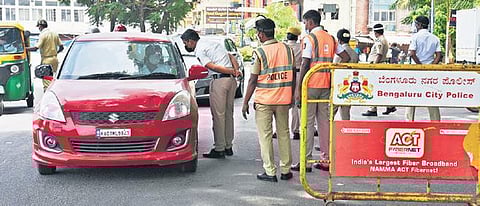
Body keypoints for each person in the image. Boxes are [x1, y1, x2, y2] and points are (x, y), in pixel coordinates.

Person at [291, 10, 350, 173]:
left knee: (308, 123)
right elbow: (345, 57)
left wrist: (299, 88)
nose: (305, 26)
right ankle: (326, 160)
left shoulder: (309, 39)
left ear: (310, 22)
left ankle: (306, 161)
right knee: (324, 123)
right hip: (326, 85)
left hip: (310, 85)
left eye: (305, 22)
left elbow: (304, 63)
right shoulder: (331, 38)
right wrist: (332, 70)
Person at [242, 17, 295, 182]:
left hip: (265, 101)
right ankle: (286, 170)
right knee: (284, 134)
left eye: (258, 32)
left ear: (261, 34)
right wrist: (292, 95)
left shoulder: (259, 52)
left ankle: (270, 171)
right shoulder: (287, 49)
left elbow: (252, 80)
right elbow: (293, 75)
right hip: (283, 100)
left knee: (265, 136)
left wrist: (245, 102)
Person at [181, 29, 240, 158]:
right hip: (231, 82)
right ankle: (228, 146)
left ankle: (219, 148)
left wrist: (231, 71)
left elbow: (212, 67)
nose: (186, 46)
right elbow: (231, 56)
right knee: (228, 114)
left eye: (186, 43)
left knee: (219, 115)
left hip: (220, 81)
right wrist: (235, 70)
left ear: (191, 41)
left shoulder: (200, 49)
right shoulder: (212, 43)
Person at [406, 15, 442, 121]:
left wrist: (420, 66)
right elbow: (439, 55)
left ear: (419, 25)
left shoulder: (415, 37)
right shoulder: (435, 38)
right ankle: (436, 121)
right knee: (431, 96)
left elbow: (412, 53)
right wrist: (430, 66)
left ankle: (409, 121)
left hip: (415, 71)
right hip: (429, 72)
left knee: (412, 96)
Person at [362, 24, 396, 117]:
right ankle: (390, 106)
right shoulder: (384, 39)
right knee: (381, 88)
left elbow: (379, 54)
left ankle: (372, 109)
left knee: (372, 87)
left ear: (375, 32)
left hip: (377, 66)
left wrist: (374, 65)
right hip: (381, 65)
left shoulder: (379, 40)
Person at [27, 19, 64, 91]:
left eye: (38, 27)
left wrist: (24, 49)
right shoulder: (54, 33)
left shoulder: (43, 34)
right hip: (55, 60)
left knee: (47, 81)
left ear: (40, 26)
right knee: (53, 79)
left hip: (46, 60)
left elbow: (35, 48)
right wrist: (55, 53)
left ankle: (48, 97)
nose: (39, 29)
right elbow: (61, 47)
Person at [332, 29, 359, 120]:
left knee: (330, 112)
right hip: (350, 85)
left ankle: (327, 131)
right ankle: (346, 129)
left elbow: (334, 68)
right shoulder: (355, 53)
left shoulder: (340, 53)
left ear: (339, 40)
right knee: (345, 112)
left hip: (338, 85)